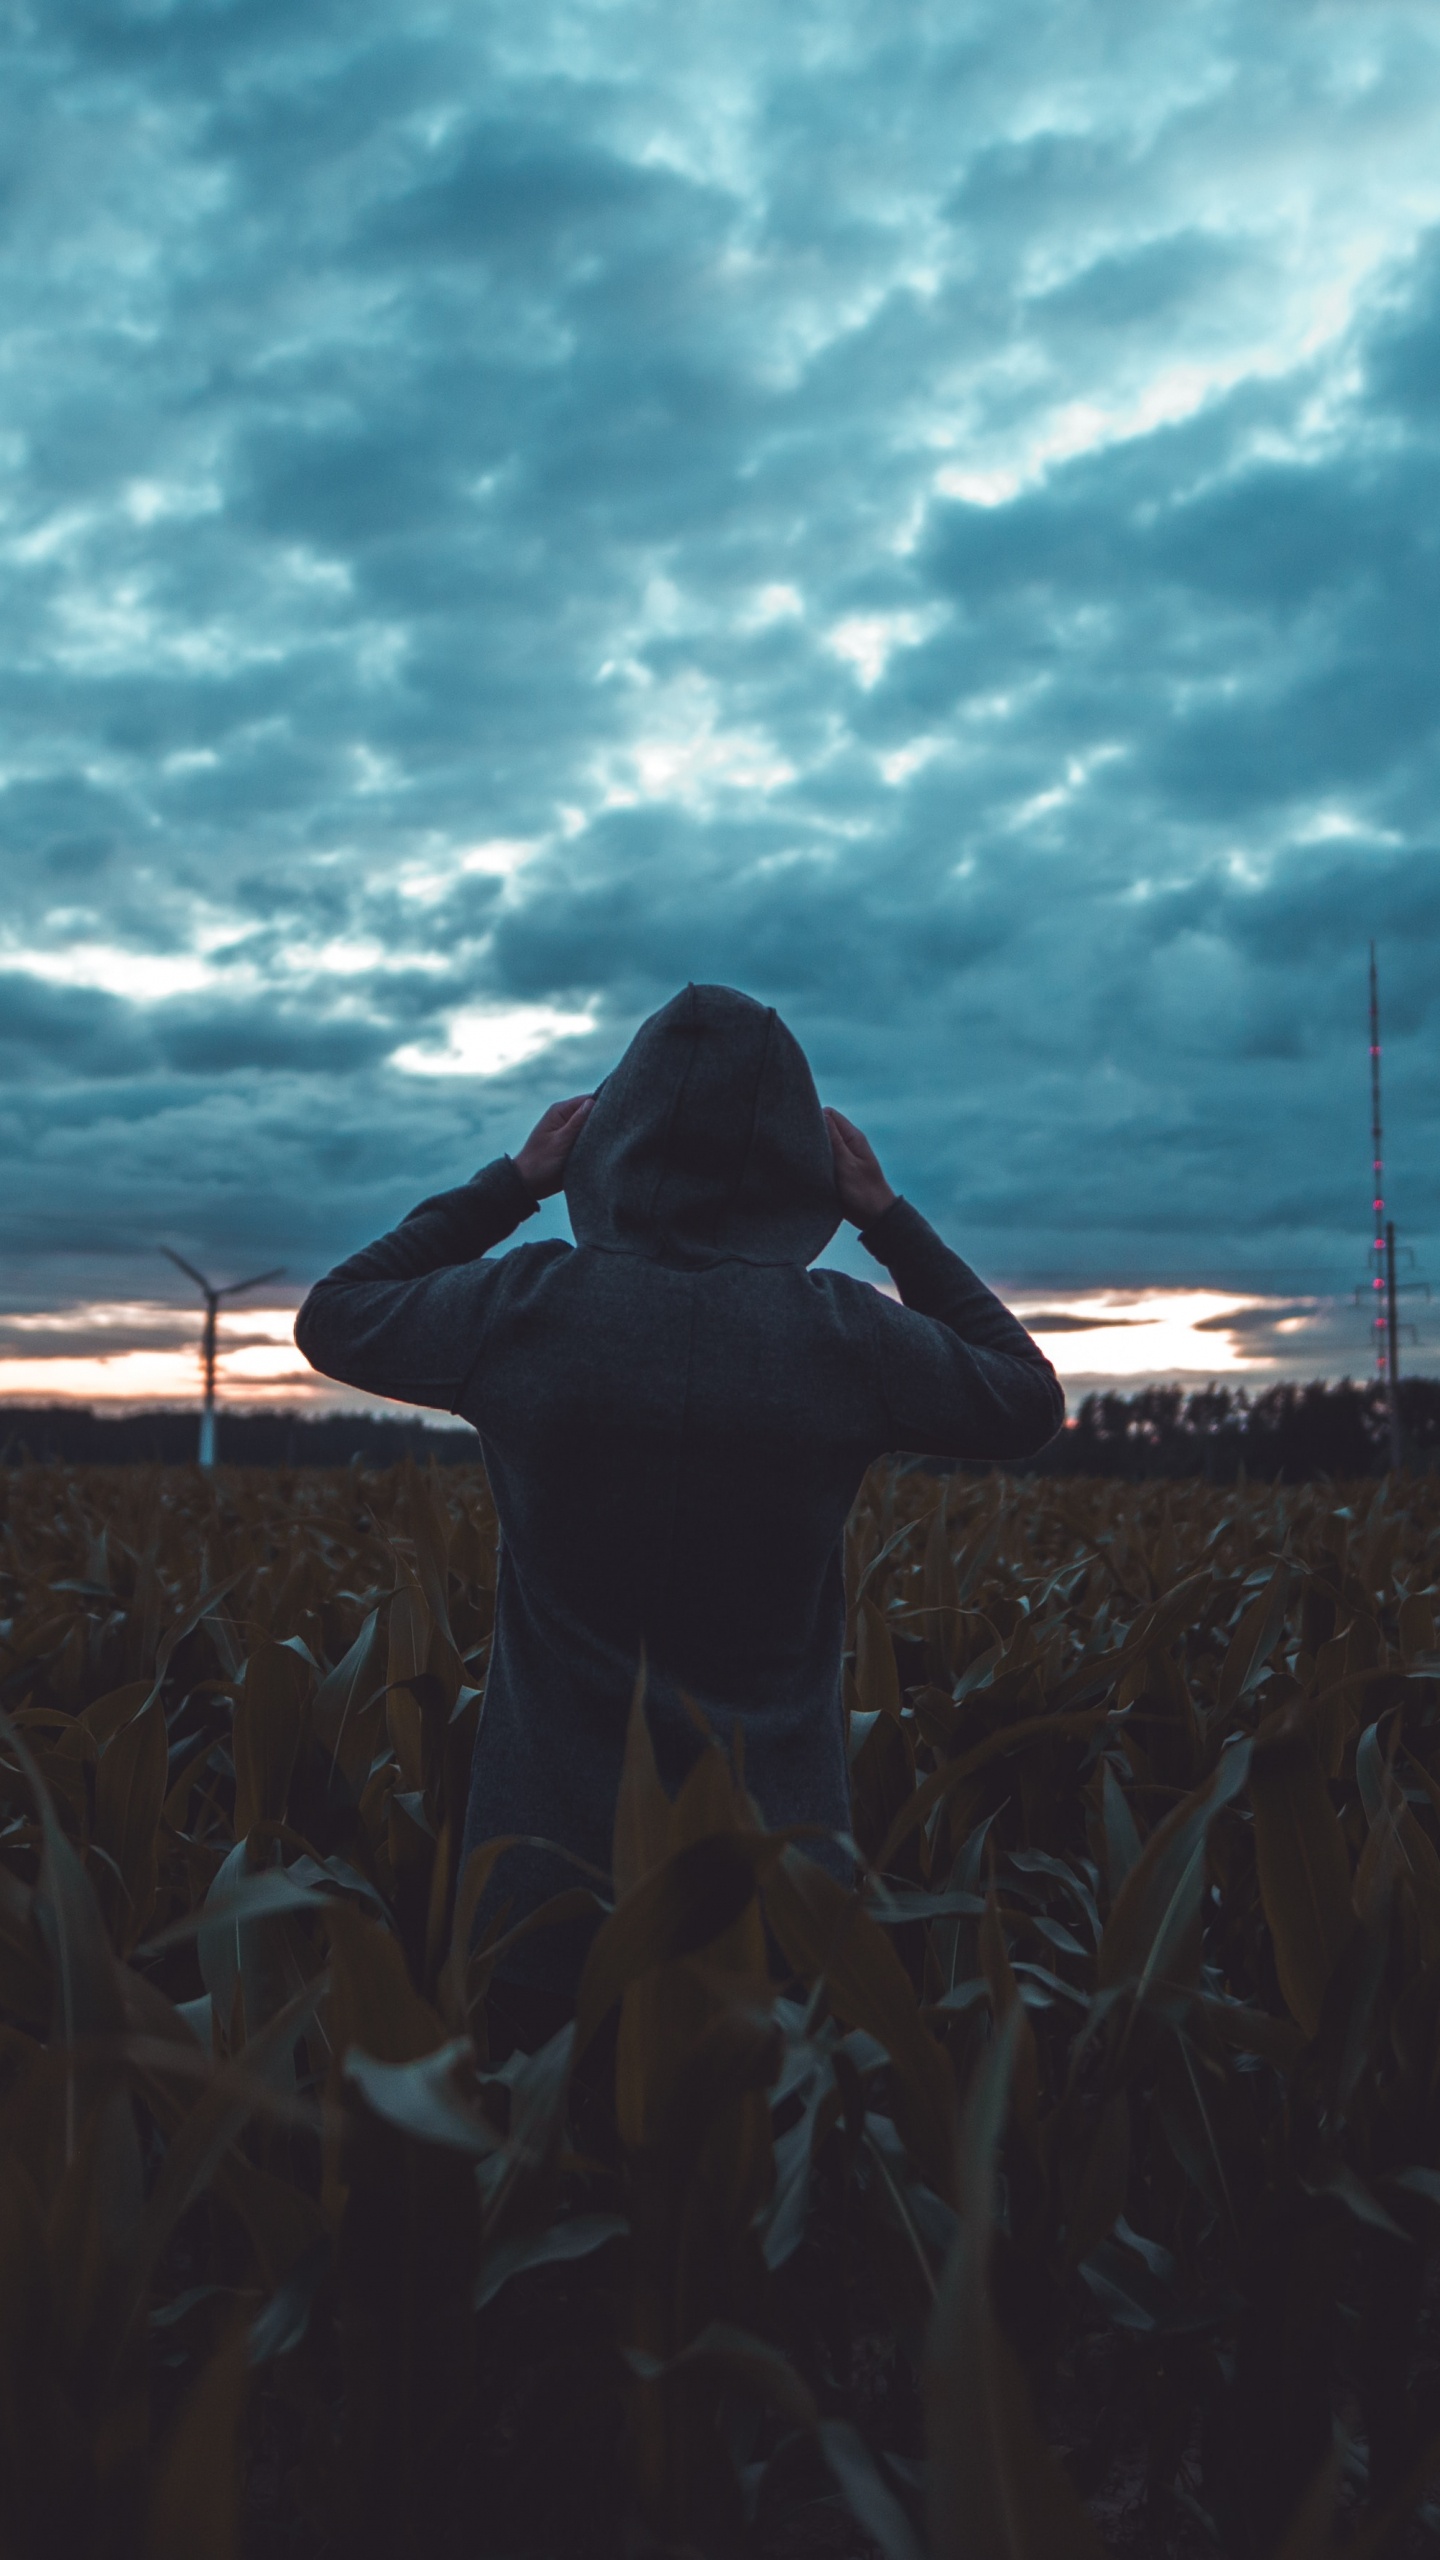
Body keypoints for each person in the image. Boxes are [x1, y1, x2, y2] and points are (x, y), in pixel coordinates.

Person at [294, 983, 1063, 2029]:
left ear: (606, 1140)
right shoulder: (844, 1339)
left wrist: (511, 1185)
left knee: (539, 2177)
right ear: (802, 1163)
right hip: (775, 1887)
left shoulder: (524, 1310)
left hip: (541, 1891)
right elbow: (1025, 1396)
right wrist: (887, 1221)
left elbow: (334, 1315)